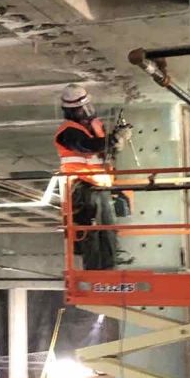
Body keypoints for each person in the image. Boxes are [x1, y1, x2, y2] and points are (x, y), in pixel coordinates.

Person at [54, 83, 132, 271]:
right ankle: (95, 270)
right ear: (73, 111)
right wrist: (113, 140)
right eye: (83, 109)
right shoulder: (68, 132)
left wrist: (115, 143)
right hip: (81, 188)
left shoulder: (94, 127)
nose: (87, 112)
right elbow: (87, 146)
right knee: (91, 231)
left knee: (108, 229)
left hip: (99, 186)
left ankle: (109, 265)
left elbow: (102, 150)